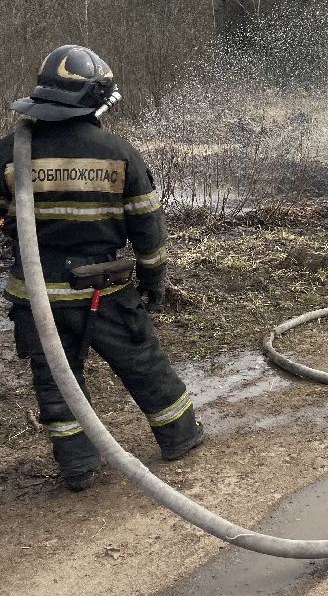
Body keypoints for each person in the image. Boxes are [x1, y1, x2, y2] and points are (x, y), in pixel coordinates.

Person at [0, 45, 203, 489]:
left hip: (37, 298)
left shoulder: (9, 154)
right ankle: (180, 436)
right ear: (95, 99)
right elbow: (148, 229)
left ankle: (77, 466)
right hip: (103, 292)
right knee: (142, 363)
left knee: (57, 383)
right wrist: (153, 280)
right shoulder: (118, 153)